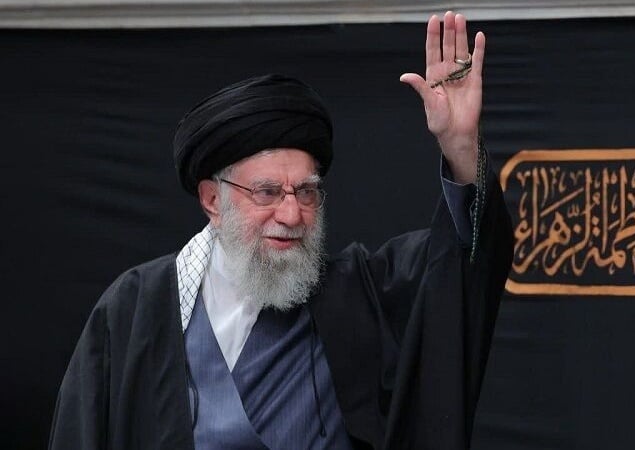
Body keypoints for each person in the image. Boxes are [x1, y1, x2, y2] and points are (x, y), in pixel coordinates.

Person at [49, 11, 512, 450]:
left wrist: (460, 147)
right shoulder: (136, 310)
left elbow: (460, 261)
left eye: (306, 192)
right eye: (267, 193)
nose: (292, 215)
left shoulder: (357, 295)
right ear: (212, 200)